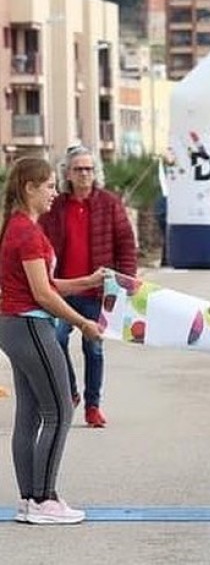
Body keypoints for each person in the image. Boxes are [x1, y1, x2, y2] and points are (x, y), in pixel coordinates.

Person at [0, 157, 107, 524]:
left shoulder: (18, 227)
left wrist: (87, 281)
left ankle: (30, 500)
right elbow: (42, 297)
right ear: (29, 188)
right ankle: (45, 500)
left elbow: (44, 284)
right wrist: (84, 323)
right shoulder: (26, 233)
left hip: (16, 324)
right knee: (60, 410)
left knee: (30, 414)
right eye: (47, 186)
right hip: (30, 325)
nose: (54, 192)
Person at [40, 145, 137, 429]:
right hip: (62, 291)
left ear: (96, 173)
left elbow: (126, 246)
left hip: (97, 293)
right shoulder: (55, 206)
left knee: (93, 349)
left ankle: (93, 407)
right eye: (79, 169)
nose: (85, 174)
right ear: (67, 174)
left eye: (89, 169)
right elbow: (40, 241)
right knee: (56, 341)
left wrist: (125, 285)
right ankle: (70, 392)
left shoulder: (109, 203)